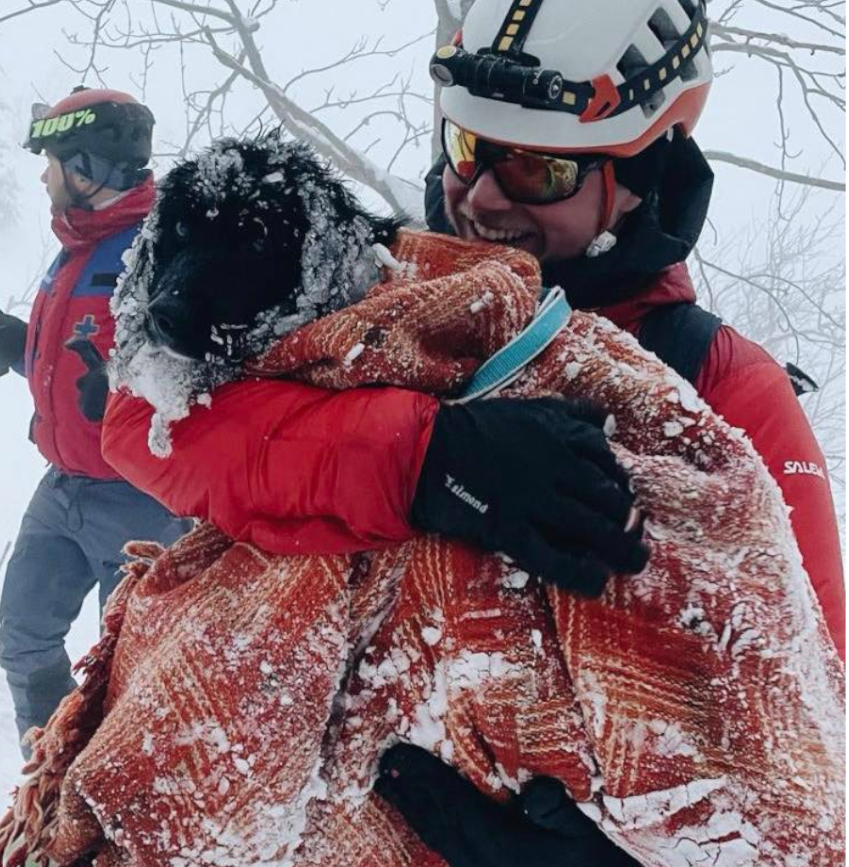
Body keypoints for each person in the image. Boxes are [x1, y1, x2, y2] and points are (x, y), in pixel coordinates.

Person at [99, 0, 844, 861]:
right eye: (467, 150)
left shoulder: (723, 393)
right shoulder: (389, 292)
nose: (479, 195)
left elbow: (800, 728)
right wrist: (419, 457)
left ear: (643, 178)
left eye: (537, 169)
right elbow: (149, 414)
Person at [0, 86, 188, 756]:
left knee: (135, 674)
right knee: (22, 633)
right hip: (63, 486)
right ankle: (51, 757)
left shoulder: (158, 256)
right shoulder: (76, 247)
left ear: (87, 167)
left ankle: (110, 809)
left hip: (142, 502)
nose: (43, 174)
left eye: (52, 159)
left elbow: (204, 381)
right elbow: (61, 360)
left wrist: (125, 395)